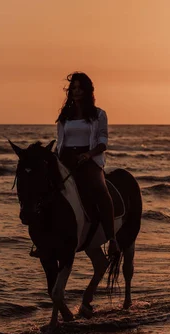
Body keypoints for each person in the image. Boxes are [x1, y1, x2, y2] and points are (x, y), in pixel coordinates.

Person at [44, 71, 119, 258]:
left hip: (89, 159)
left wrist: (88, 154)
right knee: (45, 189)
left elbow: (103, 142)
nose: (76, 91)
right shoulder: (65, 116)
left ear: (87, 91)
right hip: (66, 158)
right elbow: (60, 141)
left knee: (101, 190)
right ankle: (43, 239)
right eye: (73, 88)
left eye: (80, 88)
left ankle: (112, 240)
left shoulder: (98, 114)